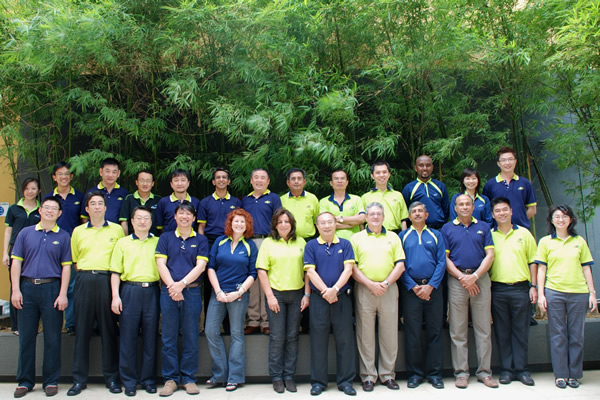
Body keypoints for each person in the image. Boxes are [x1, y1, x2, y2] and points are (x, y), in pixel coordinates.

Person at [10, 196, 71, 398]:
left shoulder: (63, 236)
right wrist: (16, 290)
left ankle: (51, 381)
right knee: (26, 337)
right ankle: (25, 381)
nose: (50, 211)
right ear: (40, 210)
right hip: (27, 288)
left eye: (54, 208)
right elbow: (16, 262)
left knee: (52, 338)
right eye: (46, 207)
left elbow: (66, 267)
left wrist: (63, 294)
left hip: (52, 289)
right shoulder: (26, 233)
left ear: (59, 213)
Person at [68, 191, 125, 396]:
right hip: (84, 280)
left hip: (107, 281)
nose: (97, 207)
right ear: (87, 208)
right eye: (93, 204)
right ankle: (78, 380)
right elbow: (75, 261)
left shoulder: (117, 230)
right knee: (82, 330)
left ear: (106, 207)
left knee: (108, 330)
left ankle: (112, 378)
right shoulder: (78, 231)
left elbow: (121, 257)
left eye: (101, 203)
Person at [536, 205, 597, 389]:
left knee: (576, 335)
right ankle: (561, 374)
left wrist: (592, 293)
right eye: (557, 216)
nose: (561, 220)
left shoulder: (579, 241)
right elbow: (541, 269)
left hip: (578, 292)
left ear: (571, 220)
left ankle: (574, 374)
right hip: (554, 291)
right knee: (558, 334)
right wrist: (541, 294)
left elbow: (586, 268)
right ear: (551, 220)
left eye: (564, 216)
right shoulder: (545, 242)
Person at [441, 194, 497, 389]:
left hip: (480, 279)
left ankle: (485, 372)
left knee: (483, 329)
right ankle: (461, 373)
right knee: (458, 330)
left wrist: (475, 276)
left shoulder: (484, 227)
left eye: (467, 204)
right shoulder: (447, 228)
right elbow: (445, 259)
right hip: (457, 281)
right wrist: (462, 278)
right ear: (455, 208)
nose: (464, 207)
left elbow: (490, 255)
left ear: (473, 207)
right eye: (460, 204)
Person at [350, 202, 405, 392]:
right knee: (365, 335)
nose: (375, 217)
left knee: (389, 334)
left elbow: (400, 265)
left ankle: (388, 375)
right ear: (366, 217)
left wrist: (386, 284)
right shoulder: (356, 238)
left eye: (378, 214)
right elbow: (352, 267)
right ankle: (368, 376)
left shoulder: (393, 237)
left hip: (388, 289)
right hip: (364, 289)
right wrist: (370, 284)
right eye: (371, 214)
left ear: (383, 217)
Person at [155, 201, 208, 396]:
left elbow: (200, 266)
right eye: (181, 213)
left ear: (194, 218)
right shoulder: (165, 237)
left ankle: (188, 378)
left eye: (188, 214)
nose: (184, 217)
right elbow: (161, 264)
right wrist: (172, 286)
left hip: (191, 292)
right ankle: (170, 379)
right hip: (168, 292)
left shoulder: (201, 240)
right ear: (175, 217)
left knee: (191, 337)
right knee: (168, 337)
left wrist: (181, 284)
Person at [256, 208, 309, 393]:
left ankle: (289, 375)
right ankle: (277, 376)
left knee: (292, 336)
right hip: (276, 295)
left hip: (297, 294)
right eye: (280, 222)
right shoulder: (268, 243)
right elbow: (261, 271)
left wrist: (307, 294)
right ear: (275, 225)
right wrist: (269, 296)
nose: (284, 225)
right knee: (277, 337)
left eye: (287, 221)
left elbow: (308, 270)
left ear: (292, 224)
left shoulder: (301, 242)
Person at [304, 212, 356, 396]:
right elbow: (310, 272)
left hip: (341, 298)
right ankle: (318, 382)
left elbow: (348, 270)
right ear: (317, 226)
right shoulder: (311, 245)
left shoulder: (345, 244)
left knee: (345, 340)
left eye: (329, 222)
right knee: (318, 341)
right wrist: (326, 291)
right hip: (319, 299)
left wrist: (335, 289)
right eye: (322, 223)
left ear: (335, 224)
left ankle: (346, 382)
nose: (326, 226)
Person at [204, 209, 257, 392]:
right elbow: (211, 267)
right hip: (218, 293)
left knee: (236, 334)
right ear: (230, 223)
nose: (239, 224)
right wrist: (218, 291)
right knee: (211, 331)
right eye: (236, 221)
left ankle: (235, 377)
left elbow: (253, 273)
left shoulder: (250, 245)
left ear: (247, 225)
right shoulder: (220, 241)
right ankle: (220, 374)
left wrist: (239, 292)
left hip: (238, 295)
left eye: (243, 222)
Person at [110, 206, 160, 396]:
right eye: (138, 218)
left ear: (151, 221)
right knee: (128, 337)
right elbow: (115, 272)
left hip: (152, 291)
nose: (142, 221)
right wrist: (115, 296)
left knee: (150, 337)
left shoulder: (158, 242)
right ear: (131, 221)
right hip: (129, 291)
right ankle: (129, 381)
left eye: (146, 218)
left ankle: (148, 380)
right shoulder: (123, 243)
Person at [489, 197, 537, 386]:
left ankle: (522, 370)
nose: (501, 213)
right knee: (502, 331)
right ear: (493, 215)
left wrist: (533, 286)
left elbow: (533, 261)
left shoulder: (524, 233)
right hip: (498, 289)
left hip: (520, 288)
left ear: (511, 211)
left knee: (521, 330)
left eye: (504, 210)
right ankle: (506, 370)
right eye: (498, 211)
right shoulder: (489, 235)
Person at [399, 201, 446, 389]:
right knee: (413, 333)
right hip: (411, 291)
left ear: (427, 215)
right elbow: (399, 263)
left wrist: (431, 286)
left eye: (421, 211)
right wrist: (413, 286)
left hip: (433, 289)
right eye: (414, 211)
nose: (417, 214)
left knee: (435, 331)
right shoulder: (402, 236)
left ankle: (435, 374)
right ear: (409, 216)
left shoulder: (436, 235)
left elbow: (441, 262)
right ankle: (415, 374)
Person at [43, 162, 84, 336]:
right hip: (51, 245)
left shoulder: (79, 196)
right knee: (52, 282)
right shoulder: (48, 198)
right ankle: (51, 322)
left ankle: (71, 322)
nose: (64, 177)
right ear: (54, 177)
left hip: (72, 245)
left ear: (71, 176)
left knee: (71, 285)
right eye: (60, 174)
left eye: (67, 174)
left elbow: (83, 222)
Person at [241, 168, 282, 335]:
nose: (259, 180)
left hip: (268, 241)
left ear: (268, 181)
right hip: (249, 242)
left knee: (267, 281)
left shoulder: (274, 198)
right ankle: (253, 320)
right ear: (251, 181)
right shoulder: (245, 199)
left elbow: (279, 220)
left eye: (262, 177)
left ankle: (266, 321)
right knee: (252, 280)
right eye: (256, 177)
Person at [3, 178, 41, 336]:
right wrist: (5, 253)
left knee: (32, 287)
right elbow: (8, 231)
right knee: (16, 287)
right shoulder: (14, 209)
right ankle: (16, 326)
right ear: (23, 190)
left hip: (35, 252)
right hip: (16, 251)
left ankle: (33, 325)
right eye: (27, 188)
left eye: (33, 188)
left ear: (39, 191)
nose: (30, 191)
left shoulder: (42, 209)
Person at [482, 146, 536, 229]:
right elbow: (487, 211)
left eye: (510, 159)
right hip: (498, 231)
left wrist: (521, 220)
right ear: (498, 163)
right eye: (503, 160)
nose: (507, 163)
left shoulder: (525, 183)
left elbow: (532, 209)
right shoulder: (490, 185)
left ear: (515, 161)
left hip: (520, 230)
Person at [402, 155, 449, 229]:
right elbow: (406, 212)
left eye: (428, 165)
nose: (425, 168)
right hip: (418, 230)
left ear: (432, 167)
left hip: (439, 229)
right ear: (416, 168)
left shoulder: (440, 186)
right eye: (421, 165)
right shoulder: (409, 188)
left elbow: (446, 209)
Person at [361, 161, 408, 232]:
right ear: (372, 176)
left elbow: (403, 220)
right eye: (378, 173)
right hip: (372, 234)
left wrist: (404, 236)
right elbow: (362, 221)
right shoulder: (365, 197)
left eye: (384, 172)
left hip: (394, 233)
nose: (381, 175)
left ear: (389, 174)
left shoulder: (398, 195)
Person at [197, 168, 241, 244]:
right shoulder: (205, 202)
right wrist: (202, 243)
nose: (221, 180)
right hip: (210, 241)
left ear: (228, 181)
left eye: (224, 177)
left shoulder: (236, 202)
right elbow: (201, 227)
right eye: (218, 177)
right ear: (213, 182)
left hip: (230, 240)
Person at [318, 169, 365, 241]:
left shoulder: (356, 199)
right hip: (332, 241)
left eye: (342, 178)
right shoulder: (323, 202)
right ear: (331, 183)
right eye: (336, 179)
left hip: (354, 241)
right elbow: (325, 224)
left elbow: (362, 219)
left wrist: (339, 219)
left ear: (347, 182)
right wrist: (350, 224)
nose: (339, 181)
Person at [81, 158, 129, 223]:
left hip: (117, 229)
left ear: (118, 173)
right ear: (101, 172)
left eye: (114, 172)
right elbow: (84, 217)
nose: (110, 175)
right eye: (107, 171)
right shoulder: (91, 193)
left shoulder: (124, 193)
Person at [155, 169, 202, 233]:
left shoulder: (196, 202)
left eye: (183, 180)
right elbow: (160, 227)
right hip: (168, 238)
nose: (180, 183)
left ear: (188, 183)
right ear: (171, 184)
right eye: (176, 180)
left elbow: (198, 225)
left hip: (189, 238)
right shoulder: (163, 202)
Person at [280, 168, 319, 239]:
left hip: (308, 240)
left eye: (299, 179)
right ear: (288, 182)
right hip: (287, 240)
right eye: (293, 179)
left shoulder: (312, 198)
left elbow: (317, 221)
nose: (296, 181)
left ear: (304, 181)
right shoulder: (281, 200)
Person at [119, 170, 161, 236]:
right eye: (142, 180)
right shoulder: (129, 199)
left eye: (148, 181)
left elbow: (161, 225)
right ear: (136, 182)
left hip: (153, 239)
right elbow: (124, 222)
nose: (145, 184)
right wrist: (126, 239)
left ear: (152, 183)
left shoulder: (158, 200)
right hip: (133, 239)